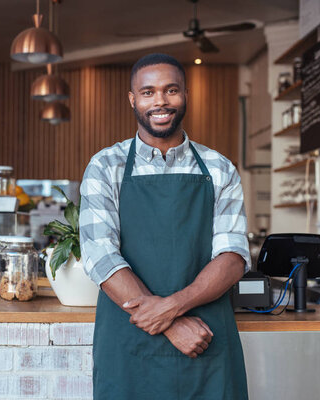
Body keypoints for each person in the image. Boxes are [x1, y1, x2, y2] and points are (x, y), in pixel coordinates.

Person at [79, 53, 250, 399]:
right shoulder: (105, 166)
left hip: (205, 340)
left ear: (186, 94)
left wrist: (169, 309)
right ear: (132, 99)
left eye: (171, 90)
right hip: (130, 345)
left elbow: (232, 257)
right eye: (148, 92)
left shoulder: (219, 168)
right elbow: (101, 257)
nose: (160, 101)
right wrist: (171, 324)